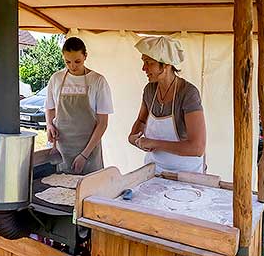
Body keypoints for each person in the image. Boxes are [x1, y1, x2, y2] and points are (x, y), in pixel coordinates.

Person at [128, 36, 206, 174]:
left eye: (148, 62)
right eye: (143, 62)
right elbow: (141, 121)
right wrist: (134, 137)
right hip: (155, 170)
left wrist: (154, 143)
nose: (143, 68)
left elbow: (197, 148)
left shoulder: (188, 93)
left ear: (166, 65)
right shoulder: (150, 90)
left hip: (186, 173)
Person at [45, 37, 113, 175]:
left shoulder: (98, 81)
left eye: (77, 61)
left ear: (85, 56)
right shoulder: (56, 79)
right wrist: (49, 125)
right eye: (67, 62)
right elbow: (50, 108)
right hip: (62, 150)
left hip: (89, 150)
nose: (72, 66)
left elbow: (103, 123)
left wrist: (84, 155)